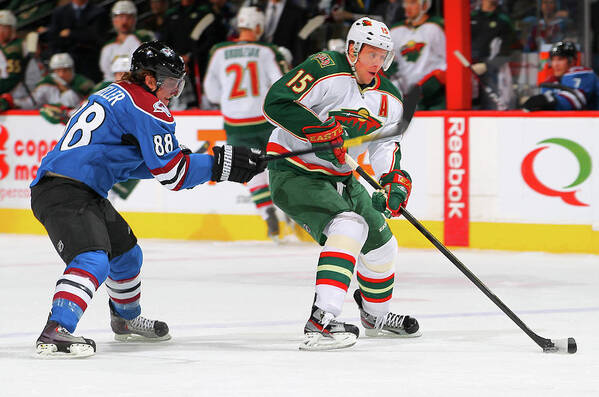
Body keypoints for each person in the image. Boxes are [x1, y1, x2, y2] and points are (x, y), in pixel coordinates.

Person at [31, 41, 265, 358]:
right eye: (169, 82)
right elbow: (173, 176)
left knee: (126, 254)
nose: (174, 91)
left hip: (77, 187)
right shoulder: (147, 106)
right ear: (149, 78)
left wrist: (207, 162)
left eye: (178, 83)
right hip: (66, 190)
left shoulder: (115, 91)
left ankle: (125, 320)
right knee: (93, 259)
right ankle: (55, 330)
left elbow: (143, 164)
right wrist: (219, 165)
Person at [263, 17, 421, 350]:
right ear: (353, 49)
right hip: (294, 169)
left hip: (342, 176)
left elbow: (384, 145)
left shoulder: (389, 98)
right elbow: (276, 102)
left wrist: (392, 180)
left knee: (383, 246)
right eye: (371, 54)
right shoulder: (324, 68)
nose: (377, 63)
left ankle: (375, 315)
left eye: (383, 56)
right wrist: (315, 130)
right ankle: (321, 321)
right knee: (349, 227)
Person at [203, 7, 288, 240]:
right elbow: (281, 84)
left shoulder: (219, 51)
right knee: (280, 163)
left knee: (249, 168)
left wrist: (231, 101)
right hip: (264, 119)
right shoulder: (266, 50)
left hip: (235, 122)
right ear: (258, 27)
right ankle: (288, 206)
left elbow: (211, 92)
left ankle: (265, 210)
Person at [390, 0, 446, 109]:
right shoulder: (395, 30)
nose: (407, 7)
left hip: (433, 96)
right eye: (405, 3)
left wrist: (435, 81)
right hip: (403, 95)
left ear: (425, 5)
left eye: (412, 3)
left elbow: (448, 61)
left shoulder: (435, 27)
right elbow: (388, 62)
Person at [522, 40, 599, 111]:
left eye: (560, 59)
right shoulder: (552, 81)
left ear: (572, 61)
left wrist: (548, 100)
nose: (555, 64)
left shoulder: (584, 74)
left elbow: (575, 100)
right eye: (553, 59)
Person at [46, 0, 109, 82]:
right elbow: (54, 37)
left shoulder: (98, 12)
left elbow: (95, 36)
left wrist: (70, 33)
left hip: (90, 61)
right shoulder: (59, 12)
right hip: (66, 60)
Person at [470, 0, 517, 109]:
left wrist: (488, 66)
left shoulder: (504, 20)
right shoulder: (471, 17)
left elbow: (507, 51)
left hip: (493, 73)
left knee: (492, 107)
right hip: (469, 70)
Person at [8, 52, 94, 111]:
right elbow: (32, 102)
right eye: (58, 71)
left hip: (75, 120)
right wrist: (13, 103)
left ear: (72, 70)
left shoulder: (83, 83)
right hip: (49, 125)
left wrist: (65, 89)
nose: (61, 75)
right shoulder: (47, 83)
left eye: (65, 71)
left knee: (70, 94)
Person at [99, 1, 156, 82]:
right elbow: (107, 73)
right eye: (121, 17)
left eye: (129, 17)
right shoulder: (108, 46)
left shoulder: (145, 37)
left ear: (135, 19)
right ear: (114, 19)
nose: (124, 21)